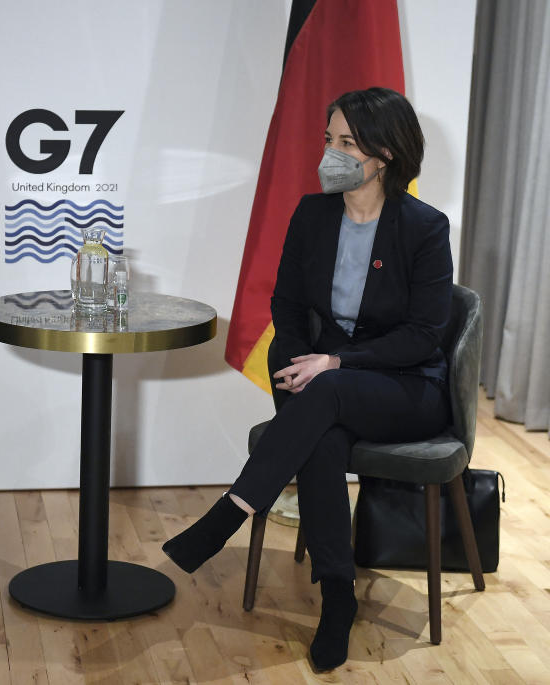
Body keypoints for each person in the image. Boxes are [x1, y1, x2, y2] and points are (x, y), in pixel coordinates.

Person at [163, 87, 452, 672]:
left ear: (385, 153)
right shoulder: (313, 213)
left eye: (347, 142)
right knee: (321, 435)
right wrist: (294, 365)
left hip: (405, 384)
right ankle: (339, 598)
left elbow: (423, 335)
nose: (331, 152)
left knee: (327, 392)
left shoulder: (424, 227)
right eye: (329, 139)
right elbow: (288, 307)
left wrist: (335, 363)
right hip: (320, 381)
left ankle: (229, 515)